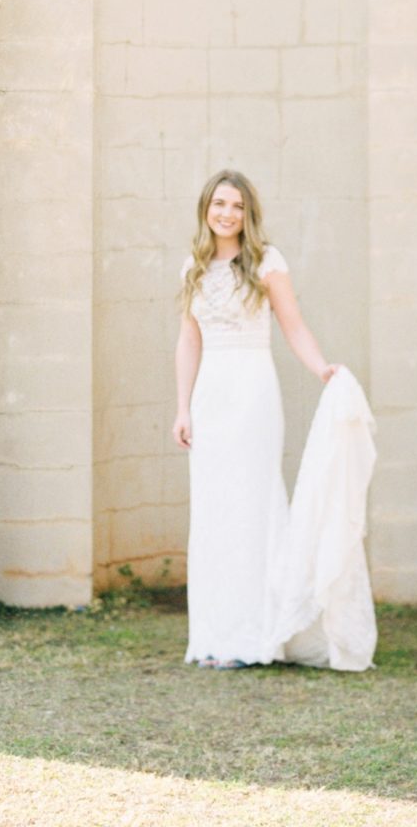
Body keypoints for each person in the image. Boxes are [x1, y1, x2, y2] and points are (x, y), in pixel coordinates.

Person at [172, 168, 338, 669]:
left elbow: (293, 325)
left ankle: (253, 637)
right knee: (214, 510)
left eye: (238, 206)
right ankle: (214, 636)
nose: (227, 213)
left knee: (252, 504)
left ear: (249, 214)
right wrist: (183, 406)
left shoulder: (267, 262)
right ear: (206, 208)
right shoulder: (193, 268)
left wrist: (322, 368)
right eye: (219, 204)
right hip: (210, 398)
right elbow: (188, 340)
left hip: (252, 394)